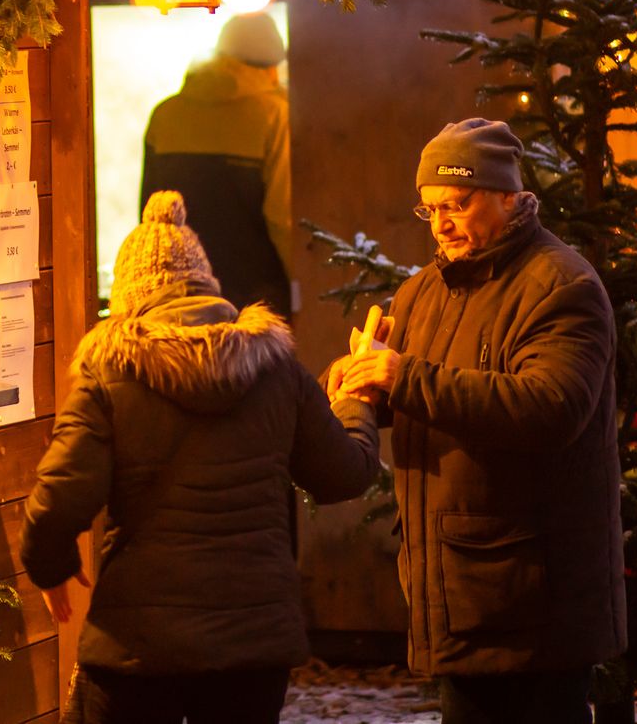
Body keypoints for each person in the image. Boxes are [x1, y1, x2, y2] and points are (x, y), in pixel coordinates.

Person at [20, 191, 380, 724]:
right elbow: (345, 475)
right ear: (208, 286)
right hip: (253, 645)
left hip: (139, 644)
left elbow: (56, 503)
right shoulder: (276, 368)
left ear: (128, 298)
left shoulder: (110, 374)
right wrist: (356, 399)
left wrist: (51, 569)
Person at [329, 119, 625, 724]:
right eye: (430, 209)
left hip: (533, 601)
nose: (441, 224)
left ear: (508, 197)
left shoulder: (560, 285)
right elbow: (412, 391)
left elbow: (552, 407)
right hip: (460, 592)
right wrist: (355, 379)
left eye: (457, 205)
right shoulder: (422, 294)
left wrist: (401, 376)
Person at [141, 10, 293, 316]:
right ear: (271, 65)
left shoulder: (165, 114)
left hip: (179, 296)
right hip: (255, 299)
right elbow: (282, 219)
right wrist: (301, 287)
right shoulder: (274, 115)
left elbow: (150, 213)